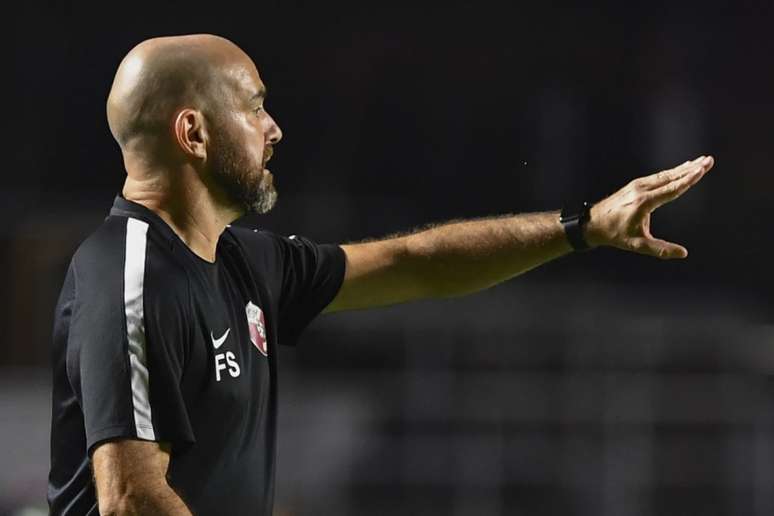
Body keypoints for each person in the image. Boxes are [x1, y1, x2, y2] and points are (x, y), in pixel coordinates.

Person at [47, 33, 714, 515]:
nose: (273, 128)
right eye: (252, 106)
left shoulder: (243, 263)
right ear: (192, 133)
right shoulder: (127, 274)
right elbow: (132, 498)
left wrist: (585, 226)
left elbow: (415, 263)